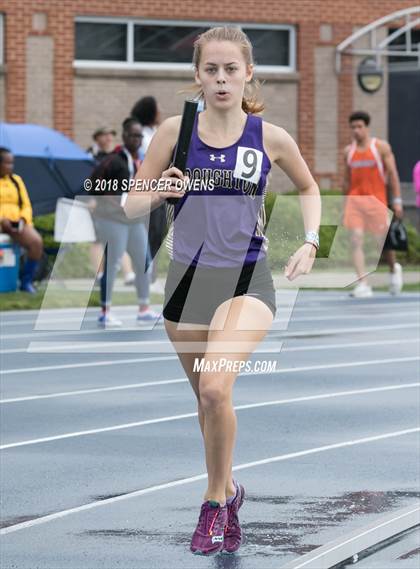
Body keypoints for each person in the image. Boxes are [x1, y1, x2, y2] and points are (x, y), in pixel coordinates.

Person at [124, 26, 321, 556]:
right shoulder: (174, 131)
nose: (220, 78)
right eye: (210, 69)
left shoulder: (269, 136)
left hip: (246, 280)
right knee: (208, 402)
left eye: (230, 69)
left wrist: (309, 239)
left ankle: (213, 503)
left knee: (214, 389)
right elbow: (129, 204)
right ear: (197, 76)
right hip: (187, 283)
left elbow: (308, 185)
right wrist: (156, 190)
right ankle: (231, 489)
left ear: (248, 73)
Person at [91, 118, 159, 327]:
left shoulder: (143, 160)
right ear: (124, 136)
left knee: (144, 263)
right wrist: (114, 203)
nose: (136, 139)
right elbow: (93, 185)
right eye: (132, 135)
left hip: (135, 220)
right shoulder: (113, 161)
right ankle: (105, 311)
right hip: (114, 221)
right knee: (113, 265)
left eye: (139, 135)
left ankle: (144, 308)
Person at [343, 111, 404, 297]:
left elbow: (392, 174)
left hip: (377, 202)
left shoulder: (380, 147)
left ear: (367, 127)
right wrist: (343, 202)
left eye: (359, 127)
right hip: (355, 202)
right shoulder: (348, 152)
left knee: (382, 244)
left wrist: (398, 201)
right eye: (353, 127)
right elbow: (346, 180)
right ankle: (363, 283)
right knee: (356, 239)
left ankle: (394, 269)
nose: (356, 130)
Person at [87, 126, 137, 286]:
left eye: (111, 134)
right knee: (96, 240)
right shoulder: (90, 156)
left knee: (118, 237)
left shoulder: (122, 155)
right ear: (97, 139)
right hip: (97, 203)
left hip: (115, 204)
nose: (108, 138)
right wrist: (91, 198)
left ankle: (128, 274)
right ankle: (100, 275)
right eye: (104, 135)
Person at [131, 96, 165, 287]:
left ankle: (150, 274)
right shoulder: (143, 135)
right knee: (150, 232)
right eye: (158, 107)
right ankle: (144, 276)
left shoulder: (156, 131)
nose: (161, 110)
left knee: (157, 233)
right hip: (149, 190)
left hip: (161, 190)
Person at [0, 147, 43, 293]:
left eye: (12, 163)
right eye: (7, 163)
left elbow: (26, 204)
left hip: (17, 222)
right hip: (1, 222)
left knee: (36, 242)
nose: (11, 167)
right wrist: (2, 220)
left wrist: (23, 220)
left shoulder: (16, 180)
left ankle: (26, 282)